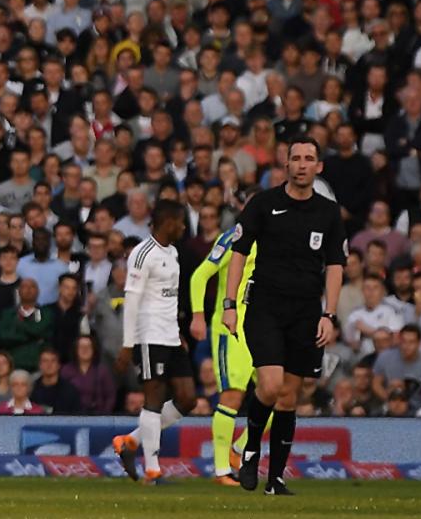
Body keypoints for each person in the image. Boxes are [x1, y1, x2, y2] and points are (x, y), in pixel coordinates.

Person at [226, 136, 345, 496]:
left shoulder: (328, 212)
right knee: (271, 385)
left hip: (306, 311)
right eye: (296, 158)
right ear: (287, 165)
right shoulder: (264, 204)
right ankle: (248, 451)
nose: (303, 164)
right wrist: (230, 304)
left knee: (290, 397)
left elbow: (336, 264)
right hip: (264, 307)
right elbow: (239, 252)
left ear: (319, 166)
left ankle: (275, 480)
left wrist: (330, 314)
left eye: (310, 158)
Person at [110, 190, 196, 485]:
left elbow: (168, 299)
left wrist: (178, 332)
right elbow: (131, 300)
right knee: (154, 398)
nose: (184, 228)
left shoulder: (172, 253)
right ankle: (153, 469)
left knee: (187, 398)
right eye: (181, 222)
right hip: (148, 335)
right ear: (168, 222)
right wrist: (127, 344)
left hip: (171, 335)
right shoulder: (142, 253)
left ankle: (130, 442)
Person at [188, 211, 258, 486]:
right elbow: (199, 276)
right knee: (232, 396)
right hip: (231, 330)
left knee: (280, 394)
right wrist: (197, 315)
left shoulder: (275, 241)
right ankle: (221, 471)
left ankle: (237, 450)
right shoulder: (233, 238)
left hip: (263, 328)